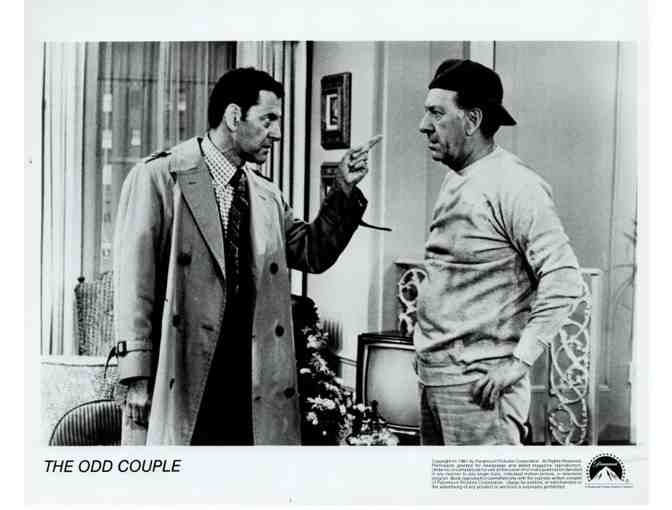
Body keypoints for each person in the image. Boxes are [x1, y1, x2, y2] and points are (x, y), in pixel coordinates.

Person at [113, 67, 377, 445]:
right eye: (268, 119)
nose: (277, 133)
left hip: (250, 383)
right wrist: (136, 377)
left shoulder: (266, 194)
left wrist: (344, 190)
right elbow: (134, 286)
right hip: (183, 371)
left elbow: (312, 252)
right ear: (234, 116)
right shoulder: (160, 177)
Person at [414, 59, 585, 445]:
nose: (424, 125)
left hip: (480, 390)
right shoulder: (455, 177)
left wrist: (519, 362)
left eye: (436, 113)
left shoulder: (516, 185)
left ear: (472, 120)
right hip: (437, 380)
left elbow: (564, 278)